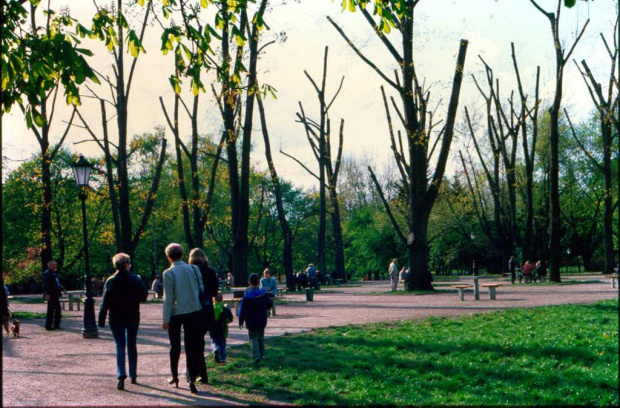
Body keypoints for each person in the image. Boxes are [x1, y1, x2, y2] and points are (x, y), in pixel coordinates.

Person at [162, 243, 209, 394]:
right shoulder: (194, 269)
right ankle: (191, 379)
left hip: (176, 312)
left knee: (175, 346)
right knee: (192, 346)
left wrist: (165, 319)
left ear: (169, 257)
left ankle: (175, 376)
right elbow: (201, 288)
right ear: (182, 255)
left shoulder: (168, 273)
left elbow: (168, 298)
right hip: (194, 309)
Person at [98, 253, 148, 390]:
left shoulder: (111, 280)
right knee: (131, 344)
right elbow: (144, 296)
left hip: (116, 317)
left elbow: (105, 303)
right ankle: (133, 374)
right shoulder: (136, 279)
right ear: (127, 264)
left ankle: (121, 375)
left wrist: (101, 320)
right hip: (132, 315)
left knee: (119, 345)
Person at [188, 248, 218, 357]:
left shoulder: (189, 271)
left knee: (194, 337)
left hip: (193, 307)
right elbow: (215, 291)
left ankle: (195, 360)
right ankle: (203, 359)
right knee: (203, 334)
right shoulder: (210, 271)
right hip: (207, 307)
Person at [239, 273, 273, 364]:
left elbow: (242, 310)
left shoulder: (246, 296)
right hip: (261, 319)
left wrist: (241, 320)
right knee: (260, 337)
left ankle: (256, 357)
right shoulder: (263, 294)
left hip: (250, 321)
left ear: (249, 282)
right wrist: (267, 308)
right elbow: (270, 304)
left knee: (253, 338)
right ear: (258, 282)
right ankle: (261, 354)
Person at [209, 293, 233, 363]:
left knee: (214, 341)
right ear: (222, 299)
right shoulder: (224, 309)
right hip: (222, 329)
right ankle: (222, 357)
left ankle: (215, 349)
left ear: (213, 299)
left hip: (213, 329)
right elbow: (230, 318)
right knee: (222, 343)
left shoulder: (210, 309)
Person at [42, 260, 64, 331]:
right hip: (51, 294)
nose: (55, 266)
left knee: (58, 310)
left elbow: (57, 283)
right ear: (50, 266)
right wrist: (47, 293)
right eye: (54, 265)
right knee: (50, 311)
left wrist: (62, 288)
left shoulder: (54, 273)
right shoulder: (47, 273)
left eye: (55, 265)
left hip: (55, 294)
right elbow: (46, 284)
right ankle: (48, 326)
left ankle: (56, 324)